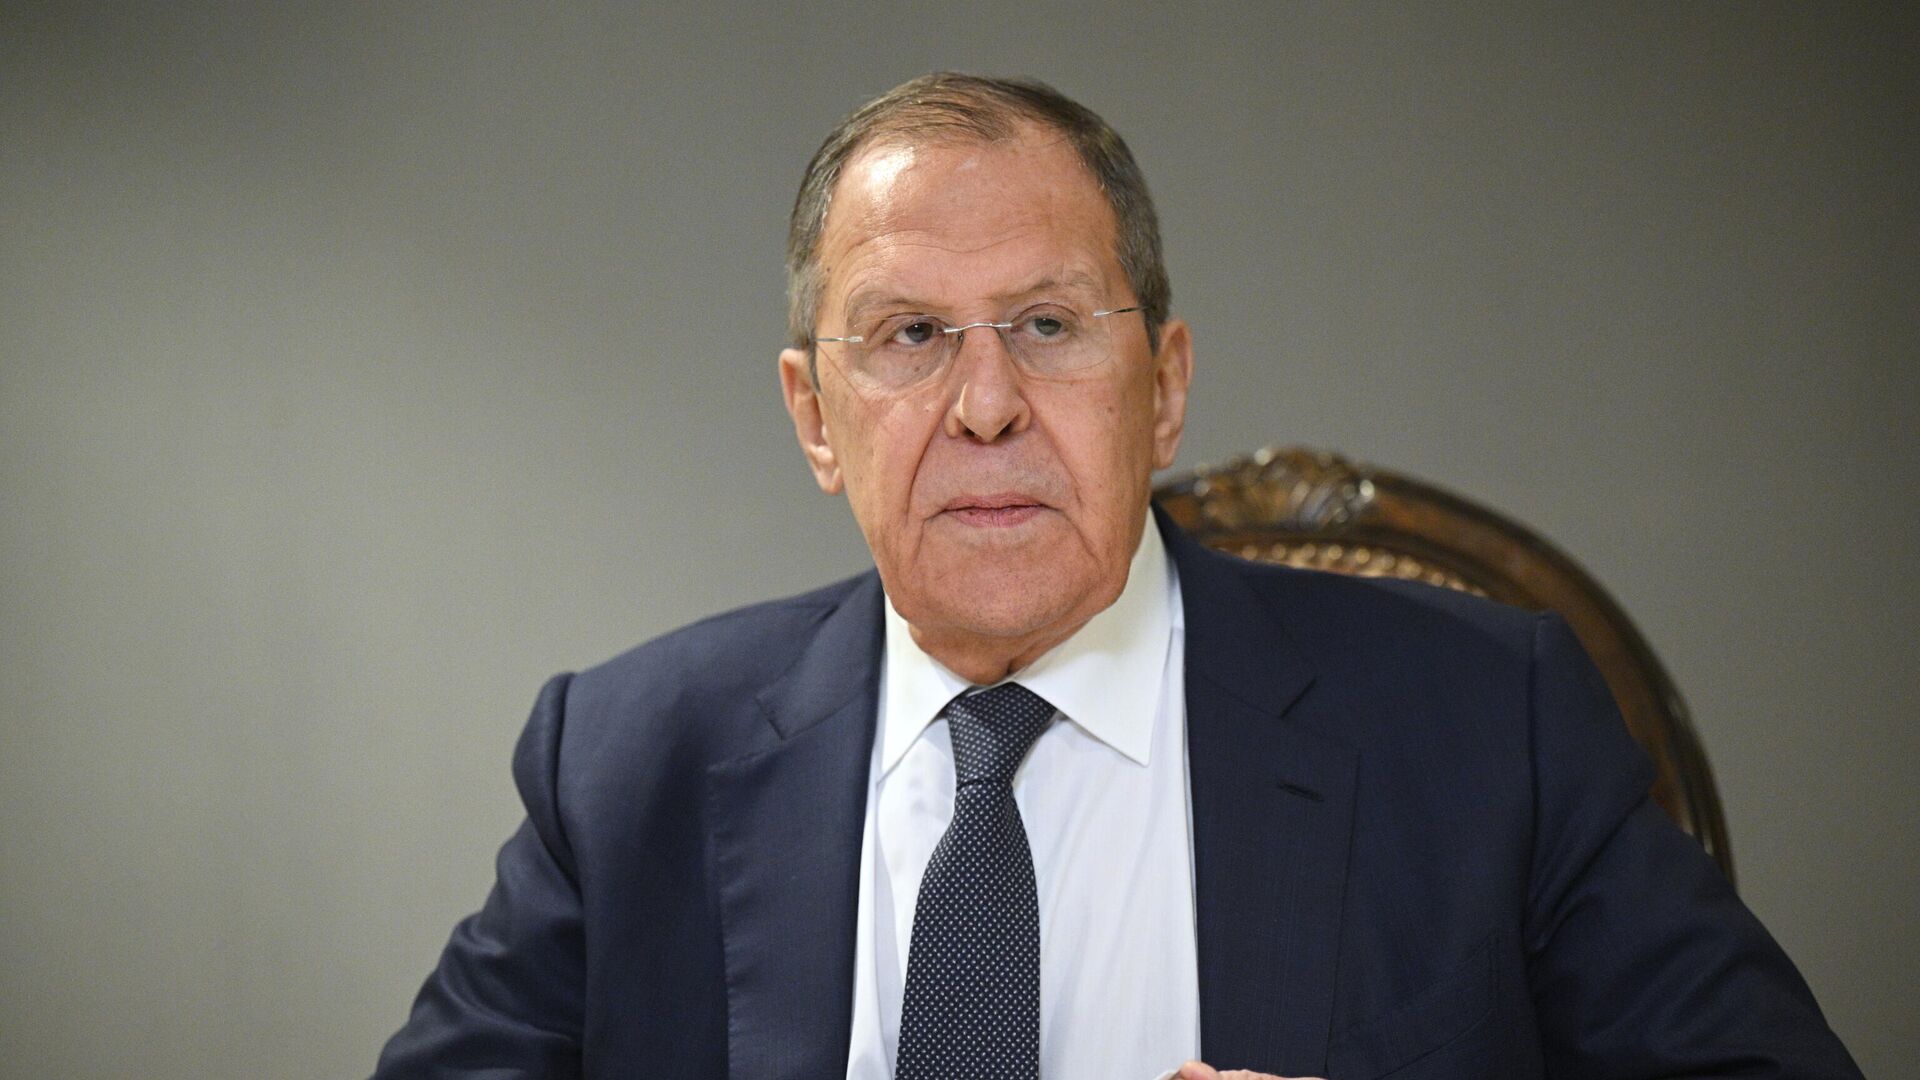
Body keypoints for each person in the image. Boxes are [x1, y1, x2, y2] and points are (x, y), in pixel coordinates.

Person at [371, 73, 1860, 1080]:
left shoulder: (1488, 726)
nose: (986, 406)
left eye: (1049, 325)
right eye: (909, 336)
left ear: (1165, 387)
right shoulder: (624, 762)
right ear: (815, 417)